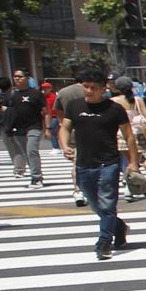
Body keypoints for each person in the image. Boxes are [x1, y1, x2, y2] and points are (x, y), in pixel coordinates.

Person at [60, 65, 136, 260]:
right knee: (96, 205)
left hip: (108, 163)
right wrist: (64, 145)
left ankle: (103, 242)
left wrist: (133, 161)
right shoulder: (75, 106)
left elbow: (128, 136)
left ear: (104, 88)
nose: (89, 91)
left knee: (107, 204)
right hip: (83, 164)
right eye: (86, 86)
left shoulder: (114, 108)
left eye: (94, 87)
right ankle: (119, 227)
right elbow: (65, 128)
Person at [0, 70, 47, 183]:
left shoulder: (35, 93)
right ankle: (33, 171)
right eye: (15, 77)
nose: (17, 79)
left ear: (27, 78)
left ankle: (36, 177)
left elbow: (46, 111)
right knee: (25, 152)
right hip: (18, 127)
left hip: (34, 126)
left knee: (31, 150)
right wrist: (10, 112)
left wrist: (47, 128)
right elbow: (3, 106)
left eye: (20, 76)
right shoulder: (11, 94)